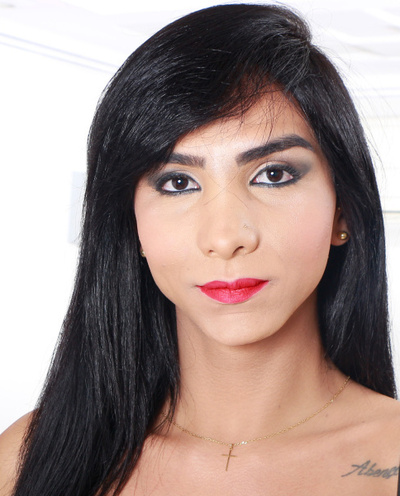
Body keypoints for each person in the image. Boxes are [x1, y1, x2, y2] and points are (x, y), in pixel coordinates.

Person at [0, 3, 399, 495]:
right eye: (177, 183)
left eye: (273, 175)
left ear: (343, 211)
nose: (225, 238)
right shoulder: (26, 458)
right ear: (132, 225)